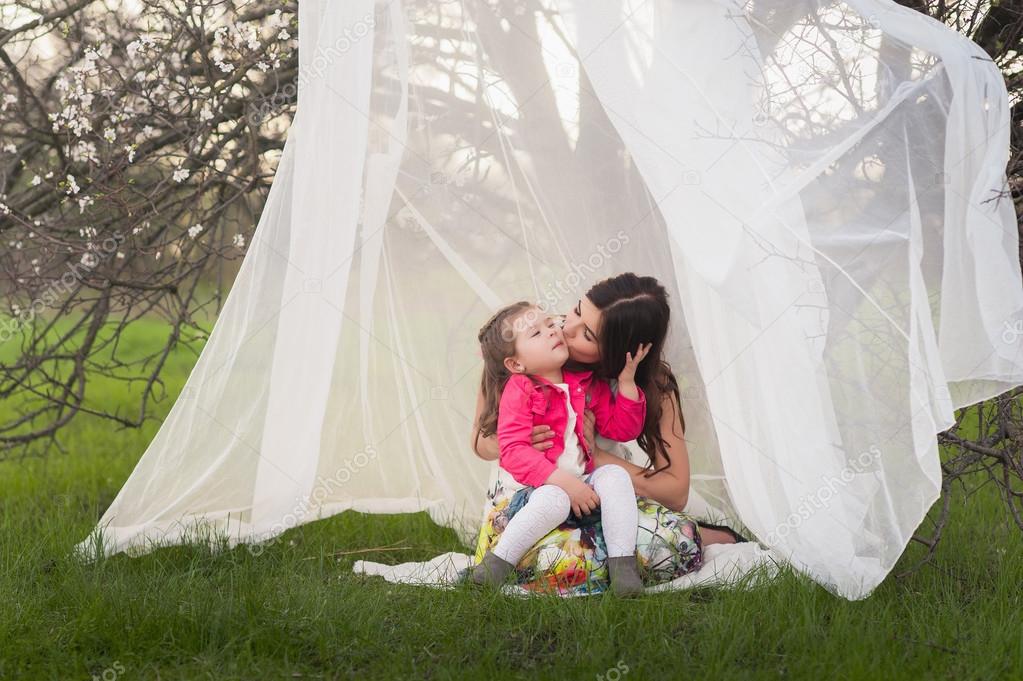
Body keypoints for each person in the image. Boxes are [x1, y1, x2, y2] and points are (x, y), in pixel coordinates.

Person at [470, 274, 747, 594]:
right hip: (534, 492)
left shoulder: (630, 383)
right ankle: (506, 562)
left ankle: (638, 560)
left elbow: (675, 490)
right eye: (575, 310)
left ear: (618, 353)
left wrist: (597, 455)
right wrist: (517, 444)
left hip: (600, 492)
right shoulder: (526, 343)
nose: (564, 328)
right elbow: (480, 441)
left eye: (587, 334)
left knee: (665, 537)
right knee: (557, 559)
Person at [468, 301, 652, 596]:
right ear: (516, 364)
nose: (552, 331)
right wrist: (565, 483)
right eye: (536, 333)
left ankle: (623, 569)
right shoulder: (520, 389)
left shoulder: (585, 382)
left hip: (582, 486)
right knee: (554, 498)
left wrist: (627, 383)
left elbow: (623, 429)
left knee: (615, 476)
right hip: (535, 492)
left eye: (550, 323)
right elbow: (513, 450)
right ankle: (494, 567)